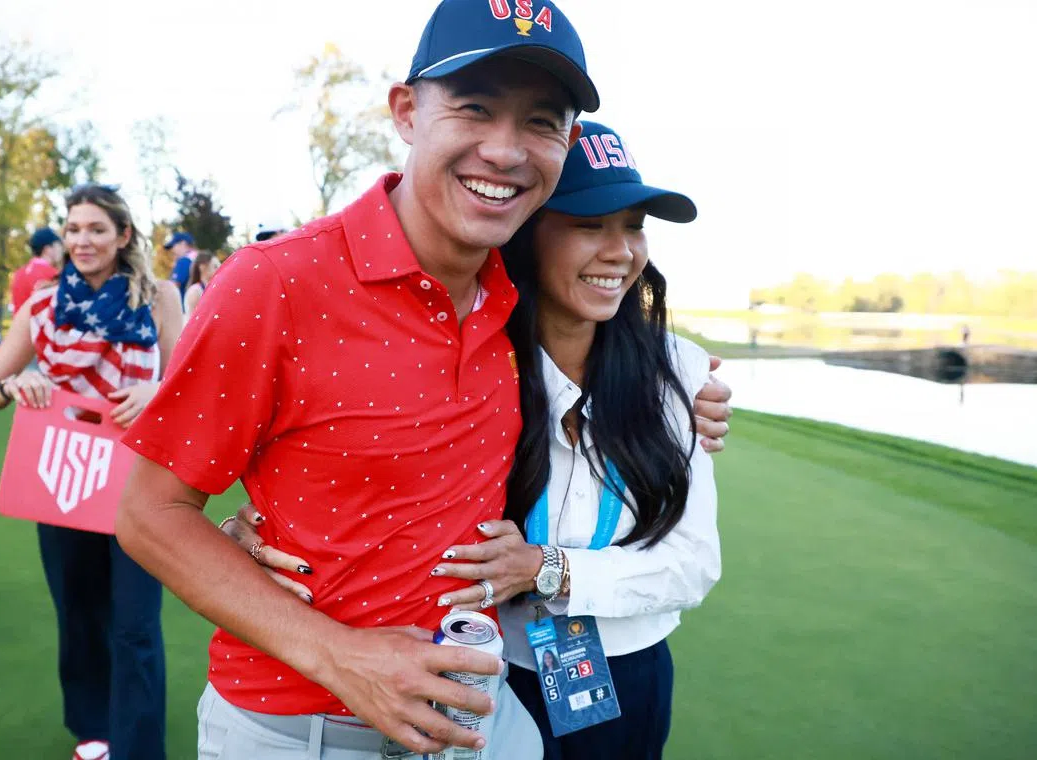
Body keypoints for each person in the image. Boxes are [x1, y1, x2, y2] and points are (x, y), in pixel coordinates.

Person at [116, 1, 607, 757]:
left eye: (542, 121)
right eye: (475, 108)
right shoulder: (274, 281)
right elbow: (150, 515)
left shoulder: (519, 287)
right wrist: (340, 657)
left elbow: (625, 324)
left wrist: (694, 395)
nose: (505, 151)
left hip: (480, 719)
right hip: (299, 731)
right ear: (408, 112)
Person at [231, 122, 725, 760]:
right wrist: (258, 528)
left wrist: (549, 568)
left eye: (632, 226)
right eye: (587, 223)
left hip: (629, 674)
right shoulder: (471, 360)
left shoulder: (679, 372)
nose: (619, 251)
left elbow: (694, 563)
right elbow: (369, 474)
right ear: (525, 231)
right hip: (484, 668)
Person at [0, 183, 183, 760]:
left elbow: (193, 378)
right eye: (72, 230)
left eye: (95, 229)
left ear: (122, 236)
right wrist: (20, 383)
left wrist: (156, 388)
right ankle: (94, 736)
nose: (82, 240)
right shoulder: (42, 302)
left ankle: (138, 749)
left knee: (135, 626)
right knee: (81, 618)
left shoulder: (158, 296)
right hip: (61, 482)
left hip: (137, 482)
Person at [12, 227, 65, 314]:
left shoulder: (19, 273)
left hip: (20, 326)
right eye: (59, 245)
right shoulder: (53, 275)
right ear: (47, 249)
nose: (61, 250)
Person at [182, 250, 220, 320]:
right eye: (215, 266)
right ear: (202, 267)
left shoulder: (211, 288)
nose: (219, 269)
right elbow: (193, 321)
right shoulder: (195, 291)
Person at [164, 231, 197, 299]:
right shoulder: (196, 260)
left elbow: (172, 288)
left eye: (173, 246)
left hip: (181, 307)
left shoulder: (183, 261)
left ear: (183, 244)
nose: (172, 250)